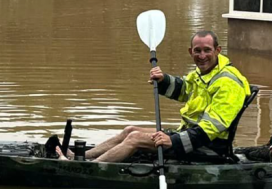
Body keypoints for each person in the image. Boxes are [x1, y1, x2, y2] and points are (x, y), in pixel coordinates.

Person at [57, 30, 250, 163]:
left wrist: (172, 141)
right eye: (197, 51)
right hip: (188, 134)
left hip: (207, 146)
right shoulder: (204, 72)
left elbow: (210, 129)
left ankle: (91, 167)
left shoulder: (228, 82)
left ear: (218, 50)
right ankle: (80, 157)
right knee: (129, 130)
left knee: (134, 139)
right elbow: (184, 90)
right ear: (191, 52)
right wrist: (163, 80)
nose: (202, 56)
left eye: (207, 50)